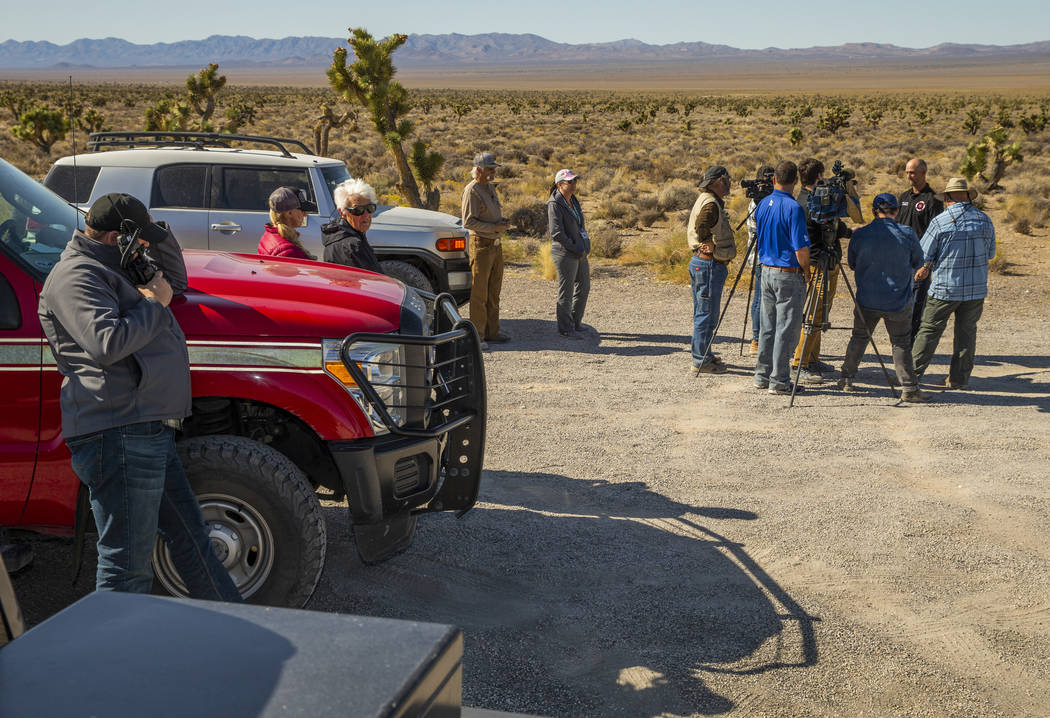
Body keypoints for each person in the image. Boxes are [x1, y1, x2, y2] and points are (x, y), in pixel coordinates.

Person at [37, 193, 241, 600]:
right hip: (119, 432)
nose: (146, 247)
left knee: (192, 542)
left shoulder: (118, 263)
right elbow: (107, 342)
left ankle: (234, 631)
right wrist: (154, 305)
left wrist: (155, 233)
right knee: (126, 566)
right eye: (140, 238)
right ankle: (116, 661)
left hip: (144, 429)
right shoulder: (76, 276)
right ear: (117, 236)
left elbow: (175, 282)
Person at [837, 194, 930, 402]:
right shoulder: (907, 233)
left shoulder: (861, 234)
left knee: (859, 337)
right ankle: (909, 388)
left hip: (866, 299)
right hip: (898, 300)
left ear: (873, 211)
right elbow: (917, 261)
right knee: (901, 343)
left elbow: (852, 263)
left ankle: (846, 378)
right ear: (896, 211)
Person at [911, 178, 996, 390]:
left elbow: (923, 254)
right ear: (967, 195)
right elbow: (991, 253)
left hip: (945, 288)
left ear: (947, 197)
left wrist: (928, 265)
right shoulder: (985, 220)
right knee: (967, 334)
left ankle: (912, 377)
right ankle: (959, 380)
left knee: (929, 331)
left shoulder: (941, 221)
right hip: (976, 289)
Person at [792, 158, 863, 385]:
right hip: (816, 263)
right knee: (814, 313)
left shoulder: (817, 200)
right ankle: (800, 362)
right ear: (819, 176)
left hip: (827, 261)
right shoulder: (808, 203)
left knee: (822, 311)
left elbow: (834, 226)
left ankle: (812, 358)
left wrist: (850, 231)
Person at [753, 161, 811, 395]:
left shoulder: (763, 203)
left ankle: (762, 375)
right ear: (795, 181)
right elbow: (801, 249)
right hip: (787, 273)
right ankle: (779, 380)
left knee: (767, 326)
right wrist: (806, 269)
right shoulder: (794, 208)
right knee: (786, 328)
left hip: (766, 269)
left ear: (774, 179)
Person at [686, 165, 734, 375]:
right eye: (726, 180)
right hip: (708, 264)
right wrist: (708, 243)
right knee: (706, 315)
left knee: (704, 313)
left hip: (703, 264)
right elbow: (702, 224)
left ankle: (704, 353)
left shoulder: (708, 199)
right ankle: (701, 360)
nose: (729, 183)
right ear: (717, 182)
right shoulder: (711, 204)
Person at [462, 152, 511, 347]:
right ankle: (478, 336)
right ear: (479, 169)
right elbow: (468, 221)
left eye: (494, 168)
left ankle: (492, 331)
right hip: (481, 245)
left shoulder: (489, 187)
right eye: (490, 168)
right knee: (480, 293)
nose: (493, 171)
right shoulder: (472, 190)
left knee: (494, 291)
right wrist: (493, 228)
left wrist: (500, 224)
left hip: (495, 244)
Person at [897, 158, 944, 344]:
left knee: (917, 302)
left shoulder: (932, 199)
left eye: (913, 172)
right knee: (901, 301)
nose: (909, 175)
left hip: (920, 261)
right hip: (901, 259)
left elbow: (937, 234)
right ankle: (900, 338)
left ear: (924, 173)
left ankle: (911, 342)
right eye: (907, 172)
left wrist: (927, 265)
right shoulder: (903, 198)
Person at [547, 169, 591, 339]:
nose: (574, 185)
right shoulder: (555, 204)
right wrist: (574, 247)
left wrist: (584, 245)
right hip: (565, 252)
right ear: (559, 184)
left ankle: (575, 322)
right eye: (570, 182)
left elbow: (579, 224)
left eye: (574, 181)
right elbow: (556, 232)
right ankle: (565, 328)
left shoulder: (573, 199)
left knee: (584, 286)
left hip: (579, 250)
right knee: (566, 290)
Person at [323, 178, 383, 273]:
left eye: (370, 208)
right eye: (358, 210)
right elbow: (372, 282)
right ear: (342, 212)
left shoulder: (339, 233)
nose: (366, 215)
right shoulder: (352, 246)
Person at [745, 165, 775, 355]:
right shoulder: (757, 202)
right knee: (759, 300)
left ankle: (762, 338)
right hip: (759, 256)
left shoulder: (769, 200)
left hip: (765, 256)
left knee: (764, 300)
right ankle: (756, 339)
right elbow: (758, 229)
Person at [258, 186, 318, 260]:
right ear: (289, 213)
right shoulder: (288, 251)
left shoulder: (269, 235)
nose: (305, 214)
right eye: (303, 210)